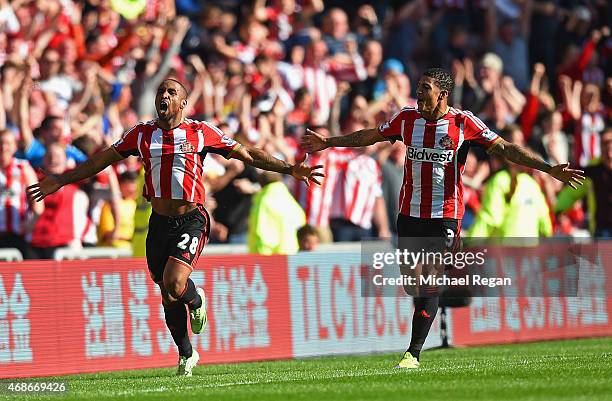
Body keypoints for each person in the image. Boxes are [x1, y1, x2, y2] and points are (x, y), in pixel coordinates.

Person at [28, 78, 323, 376]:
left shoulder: (200, 132)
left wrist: (288, 169)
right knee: (167, 294)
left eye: (172, 92)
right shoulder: (142, 134)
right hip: (159, 223)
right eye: (160, 91)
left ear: (183, 102)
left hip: (192, 218)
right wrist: (62, 179)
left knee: (175, 283)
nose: (164, 96)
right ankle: (187, 353)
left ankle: (196, 299)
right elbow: (102, 159)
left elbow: (247, 153)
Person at [302, 67, 584, 369]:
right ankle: (446, 289)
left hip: (445, 214)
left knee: (429, 283)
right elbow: (370, 136)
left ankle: (413, 353)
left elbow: (505, 148)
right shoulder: (406, 119)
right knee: (414, 283)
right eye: (419, 87)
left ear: (442, 94)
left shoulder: (464, 122)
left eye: (425, 88)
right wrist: (329, 142)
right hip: (409, 213)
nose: (419, 93)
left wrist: (547, 168)